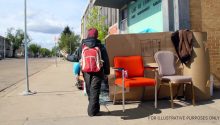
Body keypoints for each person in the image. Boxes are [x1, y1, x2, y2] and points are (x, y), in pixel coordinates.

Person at [61, 28, 110, 116]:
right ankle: (91, 112)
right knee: (95, 91)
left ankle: (96, 109)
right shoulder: (100, 46)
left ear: (88, 35)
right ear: (96, 35)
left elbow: (75, 58)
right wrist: (107, 72)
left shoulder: (82, 46)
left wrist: (66, 55)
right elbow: (106, 60)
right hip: (98, 72)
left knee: (89, 90)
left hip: (86, 71)